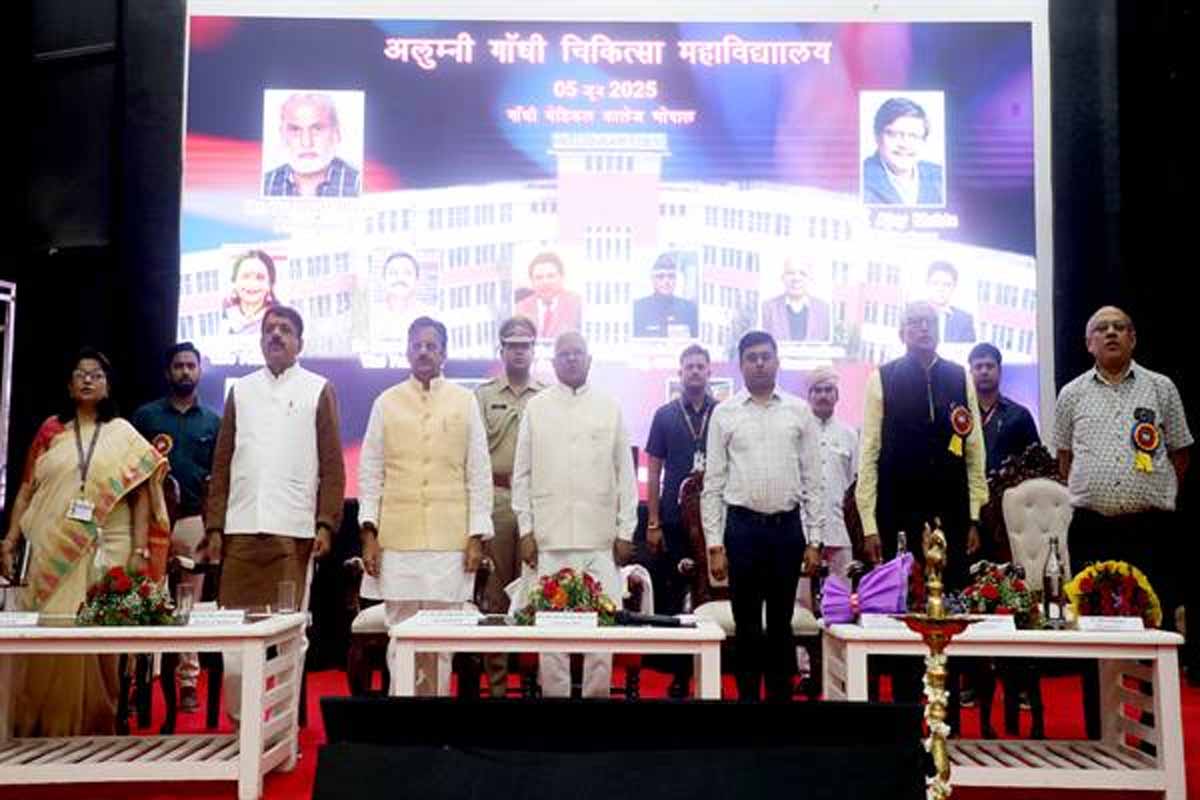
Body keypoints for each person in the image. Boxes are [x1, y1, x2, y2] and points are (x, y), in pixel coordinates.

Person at [1, 348, 169, 736]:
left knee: (98, 633)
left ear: (108, 386)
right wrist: (9, 540)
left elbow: (141, 496)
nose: (88, 379)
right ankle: (44, 725)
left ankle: (97, 723)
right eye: (80, 373)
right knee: (50, 630)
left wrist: (140, 550)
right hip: (53, 547)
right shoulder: (51, 431)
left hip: (110, 544)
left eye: (96, 374)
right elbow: (27, 488)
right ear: (69, 385)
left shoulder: (123, 433)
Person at [204, 306, 345, 718]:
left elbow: (333, 465)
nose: (276, 335)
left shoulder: (318, 388)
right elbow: (222, 462)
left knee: (288, 634)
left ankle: (281, 728)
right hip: (241, 527)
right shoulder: (242, 390)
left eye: (285, 330)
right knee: (235, 633)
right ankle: (241, 725)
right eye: (269, 329)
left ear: (300, 342)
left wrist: (326, 523)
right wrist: (215, 527)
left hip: (293, 530)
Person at [856, 302, 987, 721]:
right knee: (904, 609)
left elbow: (974, 450)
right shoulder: (883, 377)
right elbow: (869, 452)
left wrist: (974, 515)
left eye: (929, 323)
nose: (922, 329)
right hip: (898, 510)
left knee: (951, 607)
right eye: (913, 323)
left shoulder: (959, 377)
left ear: (939, 330)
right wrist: (869, 522)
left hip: (951, 512)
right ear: (901, 333)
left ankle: (948, 715)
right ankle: (905, 713)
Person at [358, 316, 493, 697]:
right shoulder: (386, 402)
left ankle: (433, 716)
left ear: (444, 353)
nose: (423, 352)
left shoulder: (465, 401)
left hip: (450, 543)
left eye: (431, 346)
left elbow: (478, 472)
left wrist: (476, 536)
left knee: (442, 637)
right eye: (417, 345)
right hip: (397, 540)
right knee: (400, 635)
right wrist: (369, 534)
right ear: (406, 350)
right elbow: (370, 472)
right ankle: (403, 712)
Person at [701, 331, 825, 702]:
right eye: (751, 357)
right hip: (742, 530)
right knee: (747, 623)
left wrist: (815, 541)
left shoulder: (799, 411)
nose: (759, 363)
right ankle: (748, 704)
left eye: (765, 356)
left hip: (786, 530)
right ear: (740, 365)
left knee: (781, 623)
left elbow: (813, 482)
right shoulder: (725, 413)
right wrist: (714, 545)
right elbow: (713, 484)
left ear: (777, 361)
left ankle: (779, 705)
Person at [511, 331, 637, 697]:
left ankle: (597, 699)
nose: (570, 359)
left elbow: (625, 475)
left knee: (602, 630)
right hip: (549, 539)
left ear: (589, 360)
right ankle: (555, 700)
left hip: (599, 539)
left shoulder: (609, 407)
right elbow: (522, 475)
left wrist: (625, 531)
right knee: (551, 632)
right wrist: (526, 530)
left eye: (577, 353)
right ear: (553, 363)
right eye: (563, 354)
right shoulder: (537, 408)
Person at [1055, 306, 1192, 624]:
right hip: (1092, 528)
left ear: (1133, 339)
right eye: (1102, 328)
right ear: (1089, 343)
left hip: (1150, 528)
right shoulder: (1071, 394)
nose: (1111, 332)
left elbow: (1180, 452)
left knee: (1156, 620)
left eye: (1119, 326)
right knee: (1092, 623)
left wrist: (1154, 488)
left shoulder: (1161, 387)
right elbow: (1064, 458)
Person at [130, 342, 222, 713]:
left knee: (189, 605)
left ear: (199, 371)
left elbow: (218, 479)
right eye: (178, 365)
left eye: (191, 365)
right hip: (150, 523)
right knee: (145, 601)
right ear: (168, 372)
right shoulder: (146, 417)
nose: (185, 371)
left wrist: (214, 529)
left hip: (192, 522)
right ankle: (139, 682)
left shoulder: (212, 421)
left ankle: (187, 682)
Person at [474, 316, 546, 697]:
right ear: (501, 350)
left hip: (536, 502)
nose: (519, 352)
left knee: (536, 592)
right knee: (497, 594)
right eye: (512, 345)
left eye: (525, 345)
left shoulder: (547, 396)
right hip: (498, 500)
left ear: (534, 350)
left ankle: (535, 682)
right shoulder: (483, 397)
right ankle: (498, 687)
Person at [645, 344, 719, 696]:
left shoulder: (723, 413)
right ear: (680, 372)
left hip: (715, 522)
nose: (695, 371)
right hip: (674, 521)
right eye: (689, 366)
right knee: (675, 594)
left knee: (711, 594)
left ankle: (711, 668)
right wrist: (653, 522)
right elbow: (654, 470)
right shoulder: (664, 415)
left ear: (709, 372)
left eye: (700, 366)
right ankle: (676, 672)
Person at [806, 367, 859, 580]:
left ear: (837, 396)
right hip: (803, 530)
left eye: (828, 390)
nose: (823, 395)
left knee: (842, 594)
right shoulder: (799, 432)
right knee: (801, 596)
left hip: (840, 528)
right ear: (809, 396)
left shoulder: (850, 435)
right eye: (817, 390)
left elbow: (855, 483)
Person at [262, 92, 360, 197]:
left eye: (317, 129)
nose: (306, 143)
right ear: (282, 135)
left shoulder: (358, 184)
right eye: (295, 130)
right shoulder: (265, 183)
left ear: (337, 134)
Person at [968, 342, 1041, 474]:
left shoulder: (1019, 415)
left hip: (1010, 486)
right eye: (978, 367)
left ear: (1000, 371)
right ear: (970, 373)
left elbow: (1036, 463)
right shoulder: (962, 416)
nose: (984, 371)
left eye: (989, 366)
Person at [862, 96, 945, 206]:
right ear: (877, 137)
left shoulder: (940, 176)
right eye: (894, 134)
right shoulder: (861, 178)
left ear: (924, 141)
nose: (904, 145)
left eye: (913, 136)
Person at [370, 251, 439, 352]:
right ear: (383, 280)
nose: (400, 278)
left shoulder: (432, 318)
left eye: (407, 273)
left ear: (417, 281)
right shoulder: (369, 317)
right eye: (393, 273)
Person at [760, 256, 832, 342]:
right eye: (790, 273)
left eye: (803, 273)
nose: (796, 278)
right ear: (782, 277)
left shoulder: (824, 309)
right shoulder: (767, 308)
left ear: (810, 279)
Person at [514, 252, 583, 341]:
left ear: (562, 278)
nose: (545, 282)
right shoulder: (520, 309)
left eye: (551, 276)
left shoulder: (577, 305)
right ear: (532, 281)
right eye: (539, 277)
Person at [632, 254, 699, 338]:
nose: (666, 281)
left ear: (676, 280)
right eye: (660, 276)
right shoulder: (638, 308)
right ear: (652, 279)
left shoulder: (689, 309)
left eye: (671, 276)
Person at [223, 250, 280, 337]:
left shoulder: (280, 321)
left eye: (260, 277)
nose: (252, 284)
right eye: (246, 276)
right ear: (234, 282)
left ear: (270, 284)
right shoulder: (225, 319)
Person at [926, 261, 976, 343]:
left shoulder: (964, 320)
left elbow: (968, 349)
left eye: (947, 285)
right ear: (928, 285)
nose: (940, 289)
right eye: (935, 283)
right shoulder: (915, 315)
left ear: (954, 287)